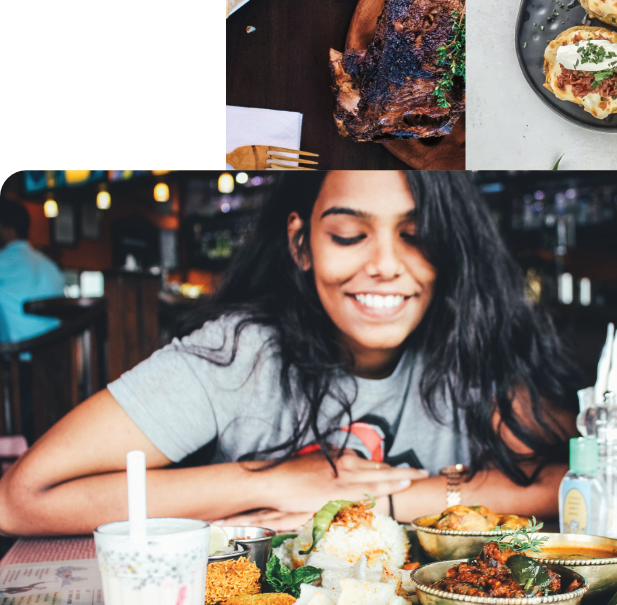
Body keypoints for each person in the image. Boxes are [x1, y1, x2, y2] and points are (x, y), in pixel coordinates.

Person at [0, 172, 580, 536]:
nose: (384, 263)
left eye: (416, 233)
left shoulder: (471, 338)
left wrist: (380, 501)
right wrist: (272, 479)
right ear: (302, 244)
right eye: (350, 234)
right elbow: (23, 500)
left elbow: (578, 474)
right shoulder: (237, 351)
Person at [0, 199, 65, 345]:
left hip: (17, 360)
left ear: (10, 231)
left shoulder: (2, 262)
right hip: (57, 357)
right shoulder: (50, 266)